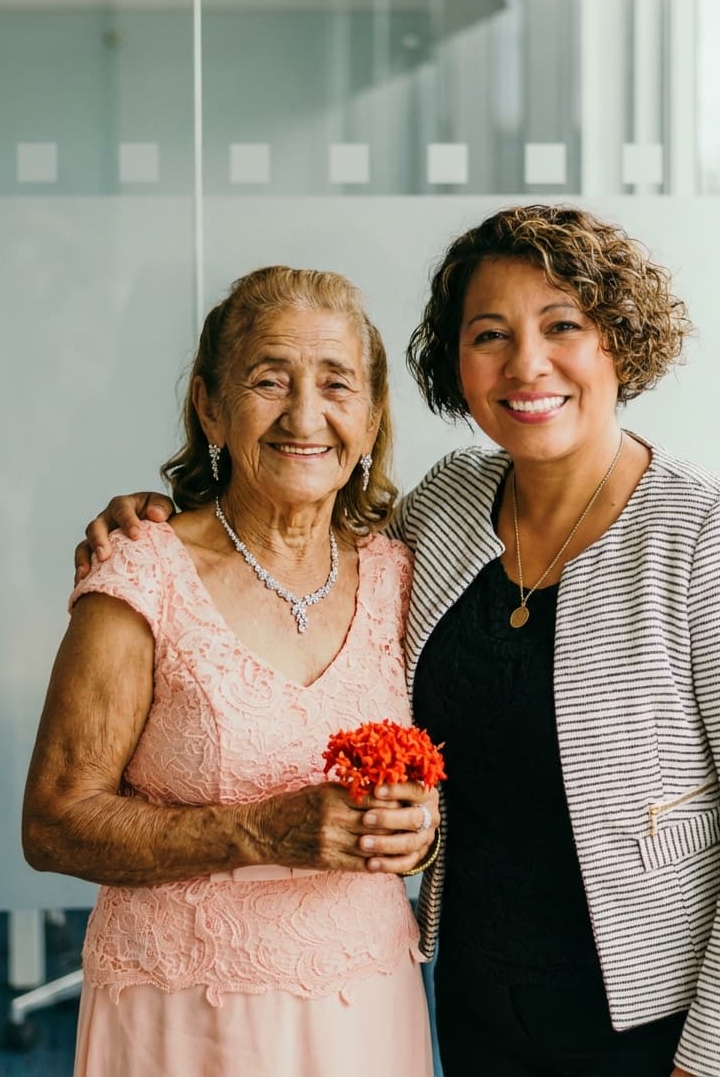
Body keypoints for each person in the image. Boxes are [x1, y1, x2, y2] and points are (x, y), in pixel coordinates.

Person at [77, 205, 720, 1077]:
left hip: (660, 1023)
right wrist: (158, 522)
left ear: (618, 343)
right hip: (476, 1006)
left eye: (562, 327)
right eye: (489, 335)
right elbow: (299, 542)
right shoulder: (448, 507)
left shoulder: (708, 532)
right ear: (456, 364)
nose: (526, 365)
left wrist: (716, 1061)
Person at [24, 265, 440, 1077]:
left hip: (366, 1007)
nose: (305, 415)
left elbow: (447, 772)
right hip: (183, 1021)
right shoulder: (141, 575)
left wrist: (421, 831)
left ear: (373, 413)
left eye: (336, 384)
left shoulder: (402, 575)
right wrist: (261, 830)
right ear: (211, 405)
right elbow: (52, 824)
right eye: (268, 380)